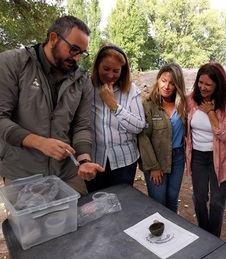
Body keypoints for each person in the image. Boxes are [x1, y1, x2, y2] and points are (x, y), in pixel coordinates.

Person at [0, 15, 104, 195]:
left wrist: (84, 160)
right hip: (21, 175)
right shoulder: (12, 63)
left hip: (67, 173)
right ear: (53, 38)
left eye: (82, 53)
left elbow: (82, 126)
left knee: (80, 221)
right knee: (30, 224)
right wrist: (40, 143)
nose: (78, 58)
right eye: (73, 49)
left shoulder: (82, 80)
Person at [185, 62, 226, 237]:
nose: (203, 88)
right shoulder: (190, 100)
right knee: (199, 199)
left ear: (218, 85)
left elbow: (225, 135)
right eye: (200, 82)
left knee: (217, 202)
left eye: (208, 84)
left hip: (220, 157)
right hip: (198, 156)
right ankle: (204, 234)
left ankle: (214, 239)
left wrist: (211, 112)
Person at [86, 44, 146, 192]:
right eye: (106, 69)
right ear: (97, 65)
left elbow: (139, 126)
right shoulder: (87, 87)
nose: (110, 75)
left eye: (116, 71)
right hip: (95, 160)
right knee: (96, 203)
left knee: (122, 204)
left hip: (124, 161)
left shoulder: (130, 90)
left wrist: (113, 105)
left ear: (123, 71)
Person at [138, 63, 186, 213]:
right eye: (164, 80)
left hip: (178, 157)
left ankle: (172, 234)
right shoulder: (147, 105)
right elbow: (143, 137)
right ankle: (158, 233)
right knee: (158, 202)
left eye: (172, 83)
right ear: (158, 79)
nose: (167, 86)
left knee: (172, 200)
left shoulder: (183, 104)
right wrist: (153, 167)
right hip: (156, 158)